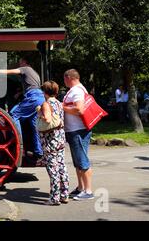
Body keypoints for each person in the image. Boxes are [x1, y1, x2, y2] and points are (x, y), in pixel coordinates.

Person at [0, 55, 44, 160]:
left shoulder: (25, 69)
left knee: (13, 114)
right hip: (39, 97)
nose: (19, 65)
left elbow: (8, 72)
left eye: (20, 62)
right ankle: (38, 151)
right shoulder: (35, 73)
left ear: (25, 62)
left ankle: (18, 146)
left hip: (32, 97)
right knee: (33, 124)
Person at [62, 69, 94, 201]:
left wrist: (61, 107)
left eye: (64, 78)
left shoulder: (77, 91)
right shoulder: (76, 89)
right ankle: (81, 188)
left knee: (82, 160)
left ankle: (88, 191)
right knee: (78, 162)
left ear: (69, 77)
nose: (64, 81)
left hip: (78, 130)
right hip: (74, 130)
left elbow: (79, 109)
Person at [38, 81, 69, 206]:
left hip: (50, 141)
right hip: (60, 138)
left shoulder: (46, 104)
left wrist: (39, 113)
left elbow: (48, 119)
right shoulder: (59, 103)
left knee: (53, 169)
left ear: (44, 92)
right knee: (62, 166)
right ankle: (64, 194)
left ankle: (54, 198)